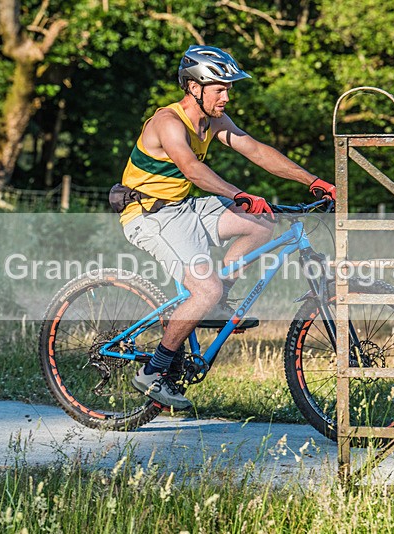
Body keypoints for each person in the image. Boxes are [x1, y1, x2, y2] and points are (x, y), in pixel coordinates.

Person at [111, 45, 336, 410]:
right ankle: (154, 371)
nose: (226, 96)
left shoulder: (213, 121)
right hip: (149, 215)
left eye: (228, 88)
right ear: (194, 88)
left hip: (183, 208)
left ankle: (216, 302)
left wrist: (315, 181)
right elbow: (192, 170)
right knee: (205, 287)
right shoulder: (167, 122)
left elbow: (257, 150)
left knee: (262, 222)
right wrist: (239, 194)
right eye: (219, 88)